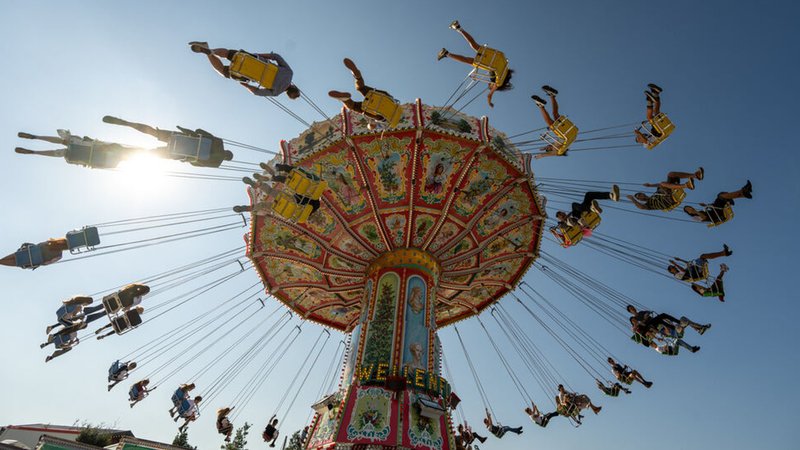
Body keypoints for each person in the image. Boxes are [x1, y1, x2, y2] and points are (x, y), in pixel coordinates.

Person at [102, 115, 234, 168]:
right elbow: (196, 164)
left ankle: (127, 123)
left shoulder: (219, 142)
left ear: (227, 151)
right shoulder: (216, 163)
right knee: (149, 154)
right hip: (179, 153)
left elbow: (199, 131)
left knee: (153, 132)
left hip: (182, 138)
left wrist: (184, 130)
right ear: (226, 159)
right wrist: (187, 159)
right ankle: (123, 153)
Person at [437, 20, 514, 108]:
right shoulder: (498, 83)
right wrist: (490, 103)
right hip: (491, 63)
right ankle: (446, 53)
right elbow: (489, 95)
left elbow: (502, 62)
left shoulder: (506, 70)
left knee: (474, 45)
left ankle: (458, 27)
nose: (490, 84)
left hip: (496, 55)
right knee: (468, 60)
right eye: (490, 85)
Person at [188, 42, 300, 99]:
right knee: (223, 71)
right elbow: (257, 92)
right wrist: (245, 85)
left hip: (253, 60)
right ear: (287, 93)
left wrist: (258, 55)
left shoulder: (289, 73)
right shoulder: (276, 92)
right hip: (244, 74)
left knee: (228, 53)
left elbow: (276, 57)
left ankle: (211, 51)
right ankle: (208, 54)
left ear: (294, 86)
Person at [15, 130, 142, 169]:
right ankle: (34, 150)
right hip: (84, 155)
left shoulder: (116, 155)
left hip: (86, 151)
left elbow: (104, 147)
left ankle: (36, 138)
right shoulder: (114, 162)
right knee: (63, 150)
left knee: (64, 143)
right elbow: (97, 165)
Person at [328, 58, 398, 126]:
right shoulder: (386, 120)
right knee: (354, 106)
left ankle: (357, 77)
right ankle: (345, 99)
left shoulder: (396, 106)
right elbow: (374, 124)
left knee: (362, 88)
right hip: (381, 114)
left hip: (386, 98)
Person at [627, 168, 704, 211]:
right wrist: (633, 199)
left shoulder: (656, 193)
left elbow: (660, 185)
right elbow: (641, 207)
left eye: (639, 194)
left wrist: (650, 185)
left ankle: (695, 175)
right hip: (668, 201)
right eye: (638, 197)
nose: (640, 195)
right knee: (662, 184)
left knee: (671, 174)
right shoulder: (648, 204)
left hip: (670, 192)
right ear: (640, 200)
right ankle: (686, 185)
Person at [683, 181, 753, 224]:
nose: (690, 208)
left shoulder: (700, 211)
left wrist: (706, 205)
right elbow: (704, 217)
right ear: (689, 213)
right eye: (688, 209)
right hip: (718, 215)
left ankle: (743, 193)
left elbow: (709, 210)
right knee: (721, 197)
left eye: (689, 207)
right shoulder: (695, 217)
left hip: (717, 210)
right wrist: (696, 212)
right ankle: (742, 192)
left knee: (721, 195)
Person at [531, 85, 571, 158]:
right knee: (549, 122)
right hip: (564, 134)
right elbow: (550, 154)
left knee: (555, 114)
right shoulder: (557, 151)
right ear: (550, 150)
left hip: (565, 131)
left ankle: (552, 95)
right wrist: (540, 156)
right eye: (548, 149)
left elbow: (553, 145)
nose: (548, 147)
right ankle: (541, 106)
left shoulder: (560, 146)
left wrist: (544, 148)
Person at [555, 186, 620, 227]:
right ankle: (591, 209)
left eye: (562, 213)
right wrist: (562, 222)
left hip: (582, 211)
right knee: (573, 206)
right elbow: (562, 226)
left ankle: (611, 196)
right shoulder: (563, 223)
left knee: (588, 195)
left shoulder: (571, 213)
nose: (563, 214)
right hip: (578, 221)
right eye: (561, 215)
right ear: (560, 218)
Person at [668, 245, 732, 282]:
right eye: (672, 267)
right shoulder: (677, 275)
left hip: (695, 270)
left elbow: (688, 264)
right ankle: (724, 253)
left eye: (673, 266)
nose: (674, 267)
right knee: (702, 256)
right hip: (697, 273)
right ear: (671, 271)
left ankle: (724, 253)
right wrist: (675, 263)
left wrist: (679, 260)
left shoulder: (681, 272)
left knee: (703, 256)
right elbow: (684, 270)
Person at [0, 238, 69, 269]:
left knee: (7, 258)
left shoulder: (50, 242)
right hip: (32, 260)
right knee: (7, 262)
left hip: (28, 251)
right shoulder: (59, 256)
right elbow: (46, 263)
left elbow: (39, 245)